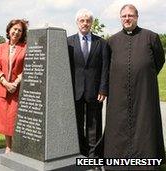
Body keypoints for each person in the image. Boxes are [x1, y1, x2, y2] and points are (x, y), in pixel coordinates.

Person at [104, 4, 165, 170]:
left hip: (144, 91)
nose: (127, 19)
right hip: (119, 92)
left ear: (137, 17)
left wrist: (144, 74)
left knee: (145, 124)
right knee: (118, 124)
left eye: (130, 15)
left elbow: (159, 61)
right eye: (124, 16)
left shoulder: (151, 37)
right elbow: (108, 65)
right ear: (120, 18)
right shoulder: (112, 41)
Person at [67, 9, 109, 158]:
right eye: (82, 20)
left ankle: (94, 157)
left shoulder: (102, 43)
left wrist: (103, 89)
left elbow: (105, 67)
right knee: (76, 124)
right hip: (74, 92)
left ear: (91, 23)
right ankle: (80, 153)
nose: (85, 23)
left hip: (95, 91)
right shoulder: (68, 42)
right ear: (77, 22)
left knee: (94, 125)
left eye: (88, 21)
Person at [0, 19, 28, 154]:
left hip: (17, 89)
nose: (17, 32)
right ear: (9, 30)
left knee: (15, 119)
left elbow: (27, 68)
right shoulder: (0, 47)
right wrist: (6, 83)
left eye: (20, 30)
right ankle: (8, 146)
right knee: (5, 120)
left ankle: (19, 147)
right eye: (14, 29)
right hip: (3, 89)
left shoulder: (25, 47)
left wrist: (15, 83)